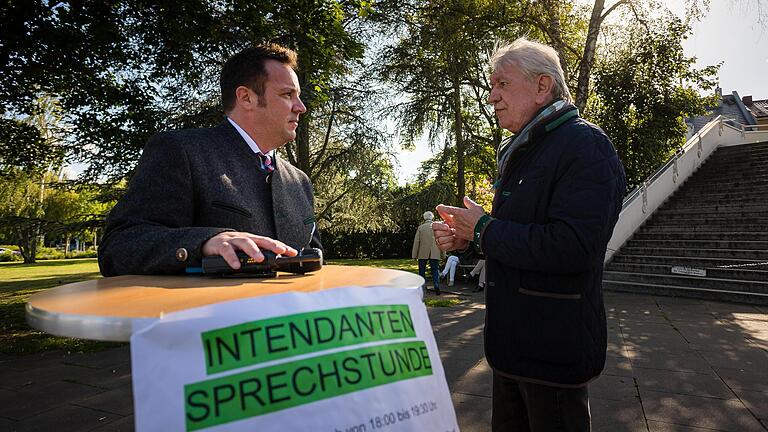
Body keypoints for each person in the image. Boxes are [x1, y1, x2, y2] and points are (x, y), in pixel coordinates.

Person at [432, 38, 626, 431]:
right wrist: (472, 238)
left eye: (502, 84)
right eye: (491, 86)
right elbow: (523, 237)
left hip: (551, 355)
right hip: (513, 350)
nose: (491, 97)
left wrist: (485, 228)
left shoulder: (585, 146)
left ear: (542, 86)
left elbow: (575, 248)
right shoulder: (526, 149)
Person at [98, 43, 321, 276]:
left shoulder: (300, 181)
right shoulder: (180, 151)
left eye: (299, 96)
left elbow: (313, 262)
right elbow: (118, 248)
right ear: (246, 98)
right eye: (288, 94)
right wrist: (205, 242)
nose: (301, 107)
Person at [412, 211, 443, 294]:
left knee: (421, 270)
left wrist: (414, 255)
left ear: (424, 218)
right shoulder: (437, 227)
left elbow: (416, 241)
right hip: (435, 252)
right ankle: (436, 284)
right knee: (435, 270)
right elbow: (441, 241)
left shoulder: (421, 228)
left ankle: (422, 288)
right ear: (432, 217)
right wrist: (443, 253)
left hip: (422, 252)